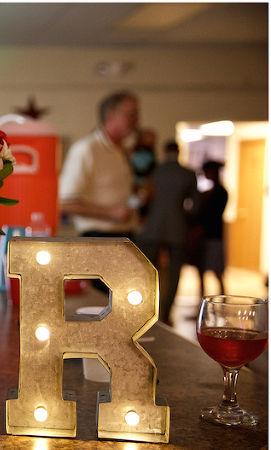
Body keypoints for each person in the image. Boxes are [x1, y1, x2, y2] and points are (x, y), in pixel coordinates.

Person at [59, 91, 141, 239]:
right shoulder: (86, 149)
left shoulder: (121, 151)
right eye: (131, 114)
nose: (137, 120)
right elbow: (64, 203)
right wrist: (112, 213)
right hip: (98, 239)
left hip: (125, 236)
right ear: (110, 116)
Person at [136, 141, 200, 326]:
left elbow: (143, 198)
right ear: (179, 152)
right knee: (174, 274)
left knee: (149, 273)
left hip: (152, 227)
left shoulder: (154, 170)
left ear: (164, 151)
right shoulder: (188, 173)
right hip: (177, 227)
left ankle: (147, 312)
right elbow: (195, 206)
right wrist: (181, 215)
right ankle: (166, 314)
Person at [192, 160, 228, 297]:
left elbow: (212, 215)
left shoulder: (220, 193)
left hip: (213, 236)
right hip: (205, 236)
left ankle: (223, 301)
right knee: (201, 271)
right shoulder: (208, 193)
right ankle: (202, 302)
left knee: (217, 272)